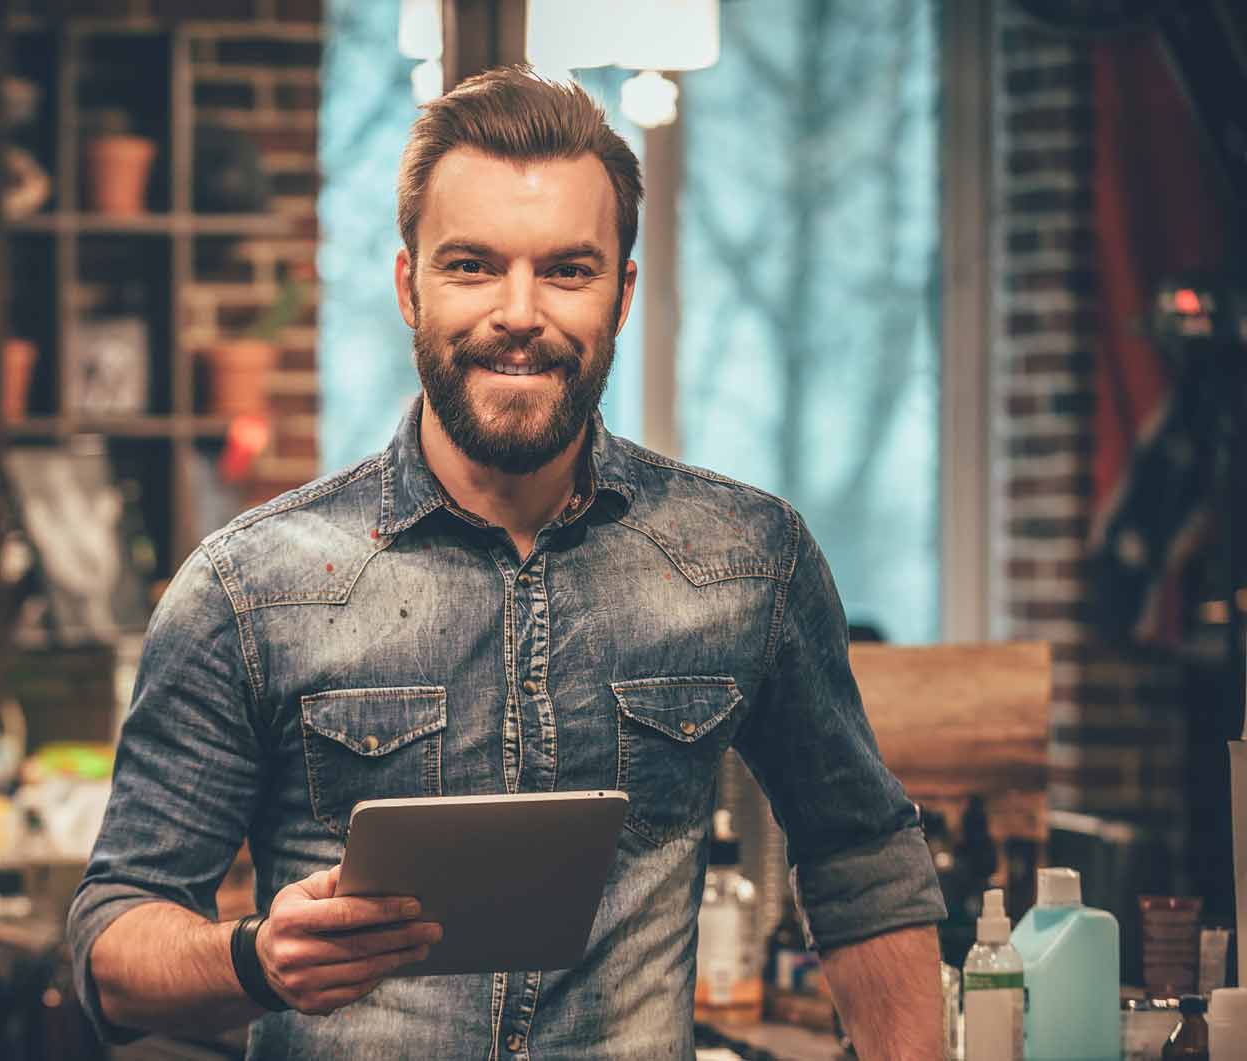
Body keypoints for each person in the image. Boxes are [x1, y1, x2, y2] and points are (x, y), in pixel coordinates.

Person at [68, 66, 946, 1059]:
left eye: (566, 270)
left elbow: (861, 858)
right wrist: (255, 958)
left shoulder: (747, 558)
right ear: (409, 286)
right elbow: (110, 938)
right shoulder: (248, 587)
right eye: (471, 265)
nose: (517, 311)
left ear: (621, 291)